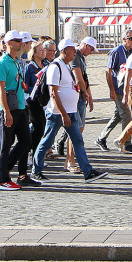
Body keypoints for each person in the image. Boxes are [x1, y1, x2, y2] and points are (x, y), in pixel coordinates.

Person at [31, 39, 108, 184]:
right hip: (57, 114)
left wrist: (82, 94)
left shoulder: (66, 66)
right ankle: (36, 171)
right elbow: (53, 93)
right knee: (47, 141)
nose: (75, 51)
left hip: (71, 112)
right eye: (72, 49)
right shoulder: (55, 67)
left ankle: (88, 172)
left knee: (78, 141)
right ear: (64, 51)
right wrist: (63, 114)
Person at [0, 30, 33, 191]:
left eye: (21, 40)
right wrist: (6, 112)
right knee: (5, 143)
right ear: (8, 43)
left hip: (20, 107)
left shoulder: (16, 61)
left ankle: (4, 167)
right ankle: (4, 179)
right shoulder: (2, 62)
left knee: (26, 140)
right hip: (8, 108)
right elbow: (0, 89)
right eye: (17, 40)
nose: (20, 43)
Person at [54, 36, 96, 170]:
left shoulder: (80, 57)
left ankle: (69, 160)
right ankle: (70, 160)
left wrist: (89, 95)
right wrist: (85, 93)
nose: (91, 52)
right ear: (86, 45)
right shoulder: (76, 57)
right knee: (76, 131)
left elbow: (85, 78)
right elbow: (78, 77)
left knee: (77, 130)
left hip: (79, 96)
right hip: (76, 97)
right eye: (91, 49)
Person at [96, 29, 132, 152]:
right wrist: (111, 90)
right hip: (118, 89)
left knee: (118, 115)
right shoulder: (116, 52)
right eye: (131, 38)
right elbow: (108, 71)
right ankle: (126, 142)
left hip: (127, 89)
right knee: (127, 115)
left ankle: (101, 138)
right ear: (124, 39)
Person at [22, 39, 49, 164]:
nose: (43, 52)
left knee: (42, 128)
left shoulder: (46, 65)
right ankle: (27, 151)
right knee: (38, 127)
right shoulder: (30, 67)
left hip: (43, 101)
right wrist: (36, 90)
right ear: (33, 53)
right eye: (40, 50)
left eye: (43, 50)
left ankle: (36, 155)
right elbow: (25, 86)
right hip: (32, 101)